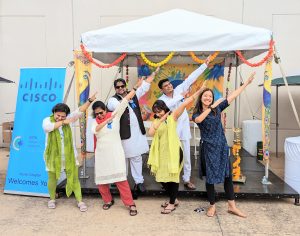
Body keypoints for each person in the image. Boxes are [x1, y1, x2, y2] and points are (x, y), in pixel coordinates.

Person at [192, 72, 256, 218]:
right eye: (205, 96)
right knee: (210, 178)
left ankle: (232, 206)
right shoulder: (196, 113)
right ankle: (212, 206)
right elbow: (199, 120)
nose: (208, 97)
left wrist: (246, 84)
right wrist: (212, 106)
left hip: (221, 146)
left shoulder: (218, 108)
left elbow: (233, 95)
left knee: (227, 177)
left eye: (210, 96)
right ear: (201, 98)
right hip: (208, 148)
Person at [158, 56, 211, 190]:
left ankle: (187, 179)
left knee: (187, 156)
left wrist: (204, 65)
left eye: (169, 84)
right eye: (166, 86)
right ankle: (169, 180)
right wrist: (182, 96)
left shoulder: (179, 89)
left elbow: (191, 78)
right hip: (171, 131)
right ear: (162, 90)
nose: (169, 86)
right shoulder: (162, 99)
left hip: (184, 129)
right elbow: (168, 106)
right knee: (172, 157)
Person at [147, 88, 203, 214]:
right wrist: (161, 119)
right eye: (156, 112)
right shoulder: (156, 121)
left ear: (165, 108)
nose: (158, 113)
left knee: (173, 178)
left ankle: (172, 203)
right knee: (161, 177)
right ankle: (174, 199)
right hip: (162, 153)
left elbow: (185, 103)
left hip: (174, 152)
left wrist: (199, 91)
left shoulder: (173, 117)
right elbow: (151, 132)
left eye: (160, 111)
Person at [91, 85, 142, 216]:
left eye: (101, 112)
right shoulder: (94, 122)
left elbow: (125, 101)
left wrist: (135, 89)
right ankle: (107, 200)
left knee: (121, 179)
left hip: (116, 152)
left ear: (105, 109)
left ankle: (130, 203)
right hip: (102, 154)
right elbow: (95, 130)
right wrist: (107, 120)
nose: (99, 115)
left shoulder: (115, 115)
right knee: (102, 181)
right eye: (96, 114)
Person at [107, 68, 159, 193]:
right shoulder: (113, 100)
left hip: (137, 134)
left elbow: (145, 86)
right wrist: (134, 89)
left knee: (136, 157)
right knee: (122, 158)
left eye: (122, 86)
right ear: (115, 89)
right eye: (118, 87)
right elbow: (121, 106)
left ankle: (138, 181)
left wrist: (154, 74)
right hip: (123, 134)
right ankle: (121, 180)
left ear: (125, 86)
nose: (120, 88)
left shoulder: (133, 94)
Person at [42, 93, 96, 212]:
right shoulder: (47, 120)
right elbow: (48, 128)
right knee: (52, 179)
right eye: (58, 115)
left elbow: (80, 111)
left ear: (66, 115)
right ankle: (51, 199)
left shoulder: (68, 119)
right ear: (54, 113)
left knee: (74, 178)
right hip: (53, 157)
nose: (60, 118)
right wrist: (63, 122)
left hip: (69, 156)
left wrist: (89, 101)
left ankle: (80, 201)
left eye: (63, 116)